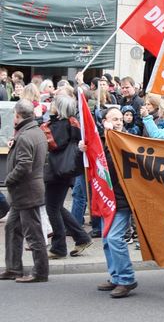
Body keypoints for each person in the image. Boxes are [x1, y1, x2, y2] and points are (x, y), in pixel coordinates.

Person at [88, 108, 138, 298]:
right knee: (107, 240)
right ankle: (116, 276)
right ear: (104, 121)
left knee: (115, 238)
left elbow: (117, 163)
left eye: (120, 119)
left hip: (121, 199)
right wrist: (83, 150)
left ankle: (127, 279)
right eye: (114, 119)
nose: (118, 122)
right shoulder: (99, 141)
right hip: (105, 199)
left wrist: (109, 137)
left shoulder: (125, 141)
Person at [0, 100, 49, 283]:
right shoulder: (35, 132)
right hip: (25, 192)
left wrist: (9, 179)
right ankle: (13, 268)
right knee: (12, 228)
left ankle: (40, 272)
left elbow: (24, 166)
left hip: (26, 192)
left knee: (33, 233)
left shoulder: (26, 135)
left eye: (14, 114)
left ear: (18, 116)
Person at [43, 96, 92, 259]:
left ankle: (59, 247)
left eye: (54, 104)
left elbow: (53, 143)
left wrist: (41, 124)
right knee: (57, 206)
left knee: (52, 208)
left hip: (58, 170)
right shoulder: (71, 122)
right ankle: (81, 237)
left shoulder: (61, 125)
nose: (51, 106)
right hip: (65, 170)